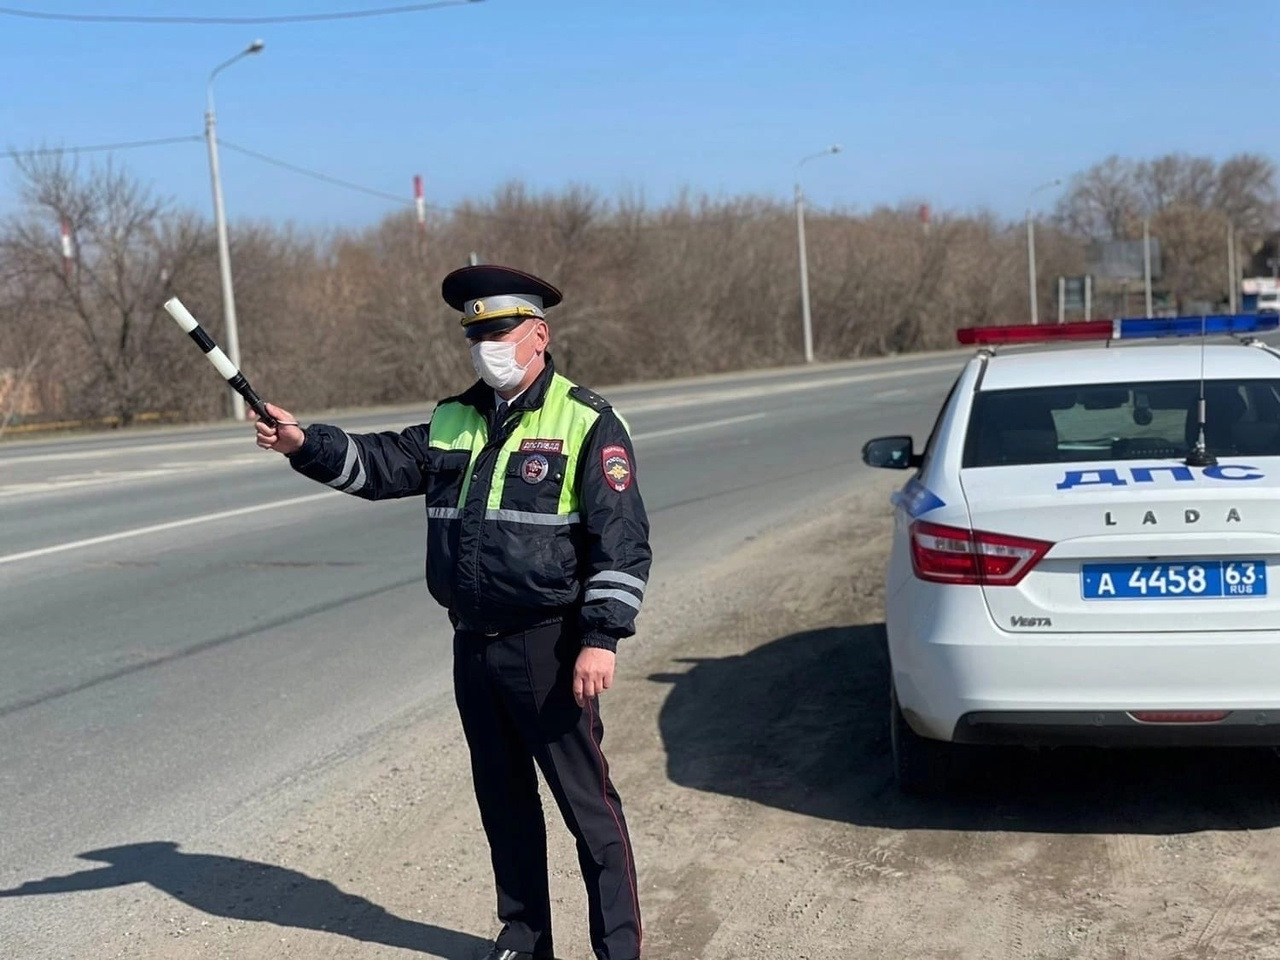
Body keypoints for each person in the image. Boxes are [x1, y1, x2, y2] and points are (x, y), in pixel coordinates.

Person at [255, 264, 651, 960]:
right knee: (504, 805)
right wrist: (302, 443)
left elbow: (620, 542)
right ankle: (526, 940)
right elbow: (377, 466)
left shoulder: (587, 420)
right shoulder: (452, 418)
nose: (486, 345)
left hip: (550, 647)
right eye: (476, 334)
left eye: (500, 331)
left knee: (588, 811)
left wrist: (601, 638)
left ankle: (617, 949)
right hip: (474, 645)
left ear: (539, 334)